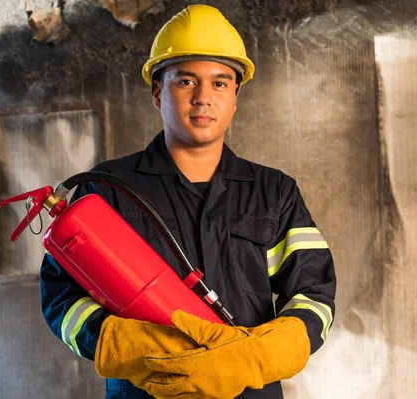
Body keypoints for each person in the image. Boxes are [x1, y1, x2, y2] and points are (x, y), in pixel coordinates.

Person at [39, 4, 336, 399]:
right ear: (158, 91)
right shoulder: (108, 191)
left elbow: (314, 294)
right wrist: (123, 343)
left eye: (219, 83)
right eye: (185, 82)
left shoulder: (274, 192)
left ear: (235, 96)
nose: (203, 98)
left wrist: (254, 356)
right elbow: (62, 296)